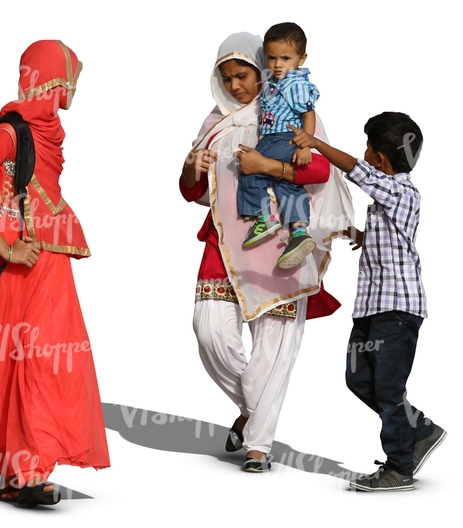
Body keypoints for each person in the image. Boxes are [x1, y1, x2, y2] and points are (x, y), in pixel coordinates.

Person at [0, 40, 110, 506]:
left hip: (51, 262)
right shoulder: (12, 131)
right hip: (21, 265)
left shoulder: (51, 130)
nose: (75, 86)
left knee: (49, 363)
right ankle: (28, 472)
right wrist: (6, 247)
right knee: (29, 363)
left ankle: (24, 470)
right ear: (57, 80)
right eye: (72, 76)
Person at [180, 32, 354, 473]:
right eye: (227, 77)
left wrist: (265, 166)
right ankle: (256, 413)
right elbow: (191, 192)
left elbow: (316, 167)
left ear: (261, 69)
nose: (236, 85)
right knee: (210, 333)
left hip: (280, 239)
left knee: (273, 349)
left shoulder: (289, 111)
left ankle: (258, 445)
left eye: (243, 75)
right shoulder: (213, 124)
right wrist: (189, 168)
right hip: (224, 238)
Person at [290, 112, 446, 491]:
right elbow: (389, 231)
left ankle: (399, 466)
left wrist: (316, 144)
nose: (364, 155)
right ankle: (420, 428)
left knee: (389, 389)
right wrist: (360, 233)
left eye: (368, 148)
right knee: (358, 378)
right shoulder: (387, 197)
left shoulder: (401, 191)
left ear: (379, 159)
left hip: (397, 310)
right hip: (372, 307)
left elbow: (358, 172)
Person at [238, 23, 320, 272]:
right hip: (282, 140)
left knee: (250, 169)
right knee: (288, 184)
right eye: (272, 58)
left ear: (301, 58)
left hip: (282, 138)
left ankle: (263, 216)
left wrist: (306, 144)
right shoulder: (275, 81)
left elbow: (309, 114)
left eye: (285, 58)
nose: (277, 64)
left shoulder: (296, 84)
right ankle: (298, 232)